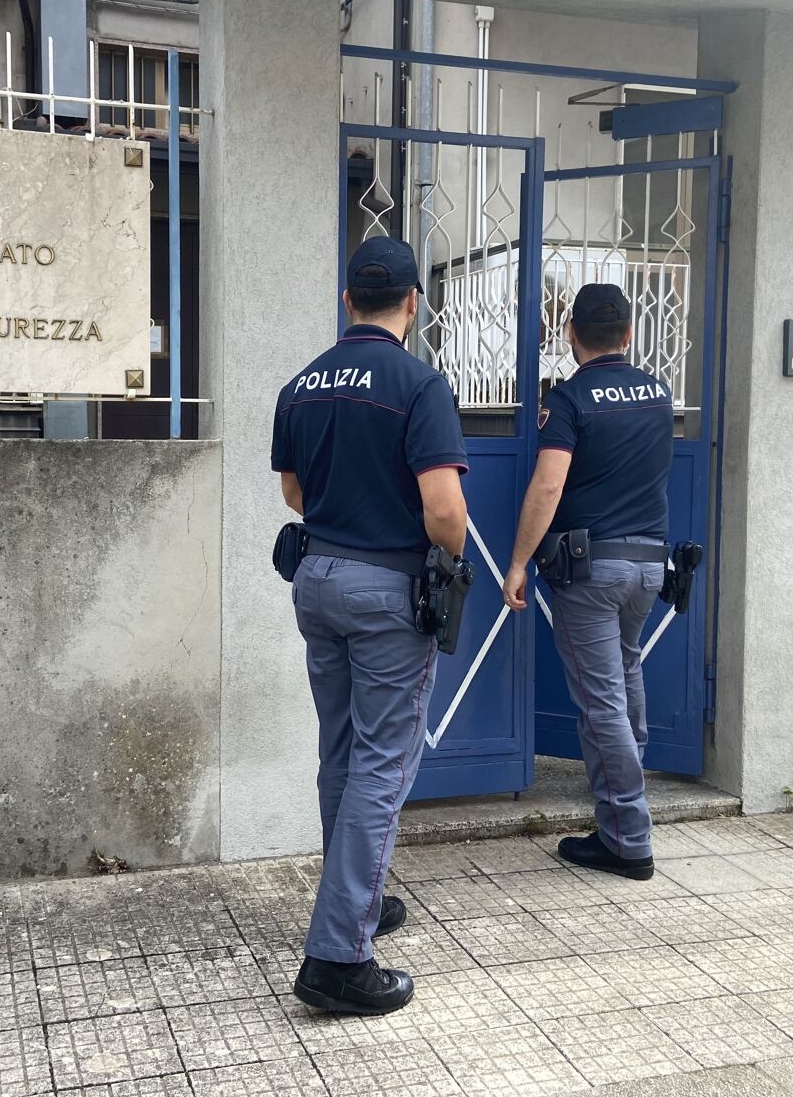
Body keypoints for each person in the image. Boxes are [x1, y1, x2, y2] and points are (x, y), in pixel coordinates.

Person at [272, 236, 468, 1015]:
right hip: (387, 589)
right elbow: (445, 512)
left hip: (317, 580)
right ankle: (337, 959)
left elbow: (294, 493)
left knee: (343, 752)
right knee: (384, 765)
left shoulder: (302, 384)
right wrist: (448, 558)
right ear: (413, 304)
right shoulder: (419, 384)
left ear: (347, 299)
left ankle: (357, 899)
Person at [501, 283, 672, 880]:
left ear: (570, 334)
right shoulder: (658, 394)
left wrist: (518, 561)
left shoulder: (569, 401)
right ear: (628, 334)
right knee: (625, 680)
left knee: (602, 702)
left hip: (592, 571)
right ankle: (622, 807)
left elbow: (549, 486)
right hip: (648, 565)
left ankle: (628, 837)